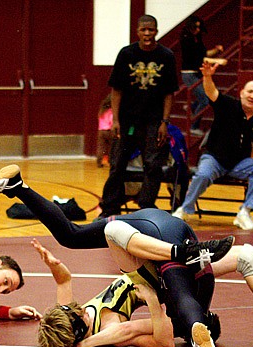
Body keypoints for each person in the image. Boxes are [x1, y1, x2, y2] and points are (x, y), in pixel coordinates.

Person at [0, 164, 253, 347]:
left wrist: (83, 346)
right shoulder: (78, 310)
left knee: (171, 287)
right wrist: (53, 267)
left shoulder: (104, 328)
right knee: (247, 256)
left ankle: (185, 255)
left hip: (148, 249)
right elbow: (65, 285)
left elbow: (148, 335)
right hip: (148, 225)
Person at [32, 238, 222, 347]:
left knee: (231, 260)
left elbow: (64, 281)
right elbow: (164, 342)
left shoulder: (71, 319)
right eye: (81, 314)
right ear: (80, 331)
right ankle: (199, 324)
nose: (81, 309)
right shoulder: (113, 332)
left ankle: (197, 321)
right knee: (233, 259)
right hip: (162, 283)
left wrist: (52, 264)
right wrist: (152, 301)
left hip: (150, 275)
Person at [173, 61, 253, 230]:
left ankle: (245, 212)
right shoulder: (227, 104)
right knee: (203, 175)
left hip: (238, 163)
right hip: (214, 158)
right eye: (250, 91)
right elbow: (211, 92)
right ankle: (184, 210)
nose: (252, 95)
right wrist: (207, 76)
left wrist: (247, 163)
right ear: (241, 93)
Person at [98, 14, 179, 218]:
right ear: (137, 32)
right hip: (127, 121)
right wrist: (115, 120)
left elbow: (169, 93)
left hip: (153, 121)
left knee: (153, 165)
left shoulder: (166, 56)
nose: (147, 34)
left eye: (151, 30)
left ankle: (146, 208)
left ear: (156, 31)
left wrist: (164, 122)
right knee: (117, 164)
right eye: (143, 30)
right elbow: (116, 90)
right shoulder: (126, 54)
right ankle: (109, 209)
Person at [180, 15, 224, 135]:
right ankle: (193, 126)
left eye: (199, 28)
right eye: (196, 27)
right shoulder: (187, 39)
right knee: (205, 99)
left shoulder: (195, 39)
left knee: (205, 96)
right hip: (189, 73)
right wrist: (215, 55)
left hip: (194, 72)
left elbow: (203, 53)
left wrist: (215, 51)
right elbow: (202, 56)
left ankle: (192, 107)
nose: (198, 30)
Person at [96, 94, 114, 167]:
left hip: (101, 130)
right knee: (111, 146)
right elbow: (112, 121)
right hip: (109, 131)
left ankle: (99, 162)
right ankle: (111, 161)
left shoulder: (102, 111)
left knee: (101, 147)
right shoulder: (112, 111)